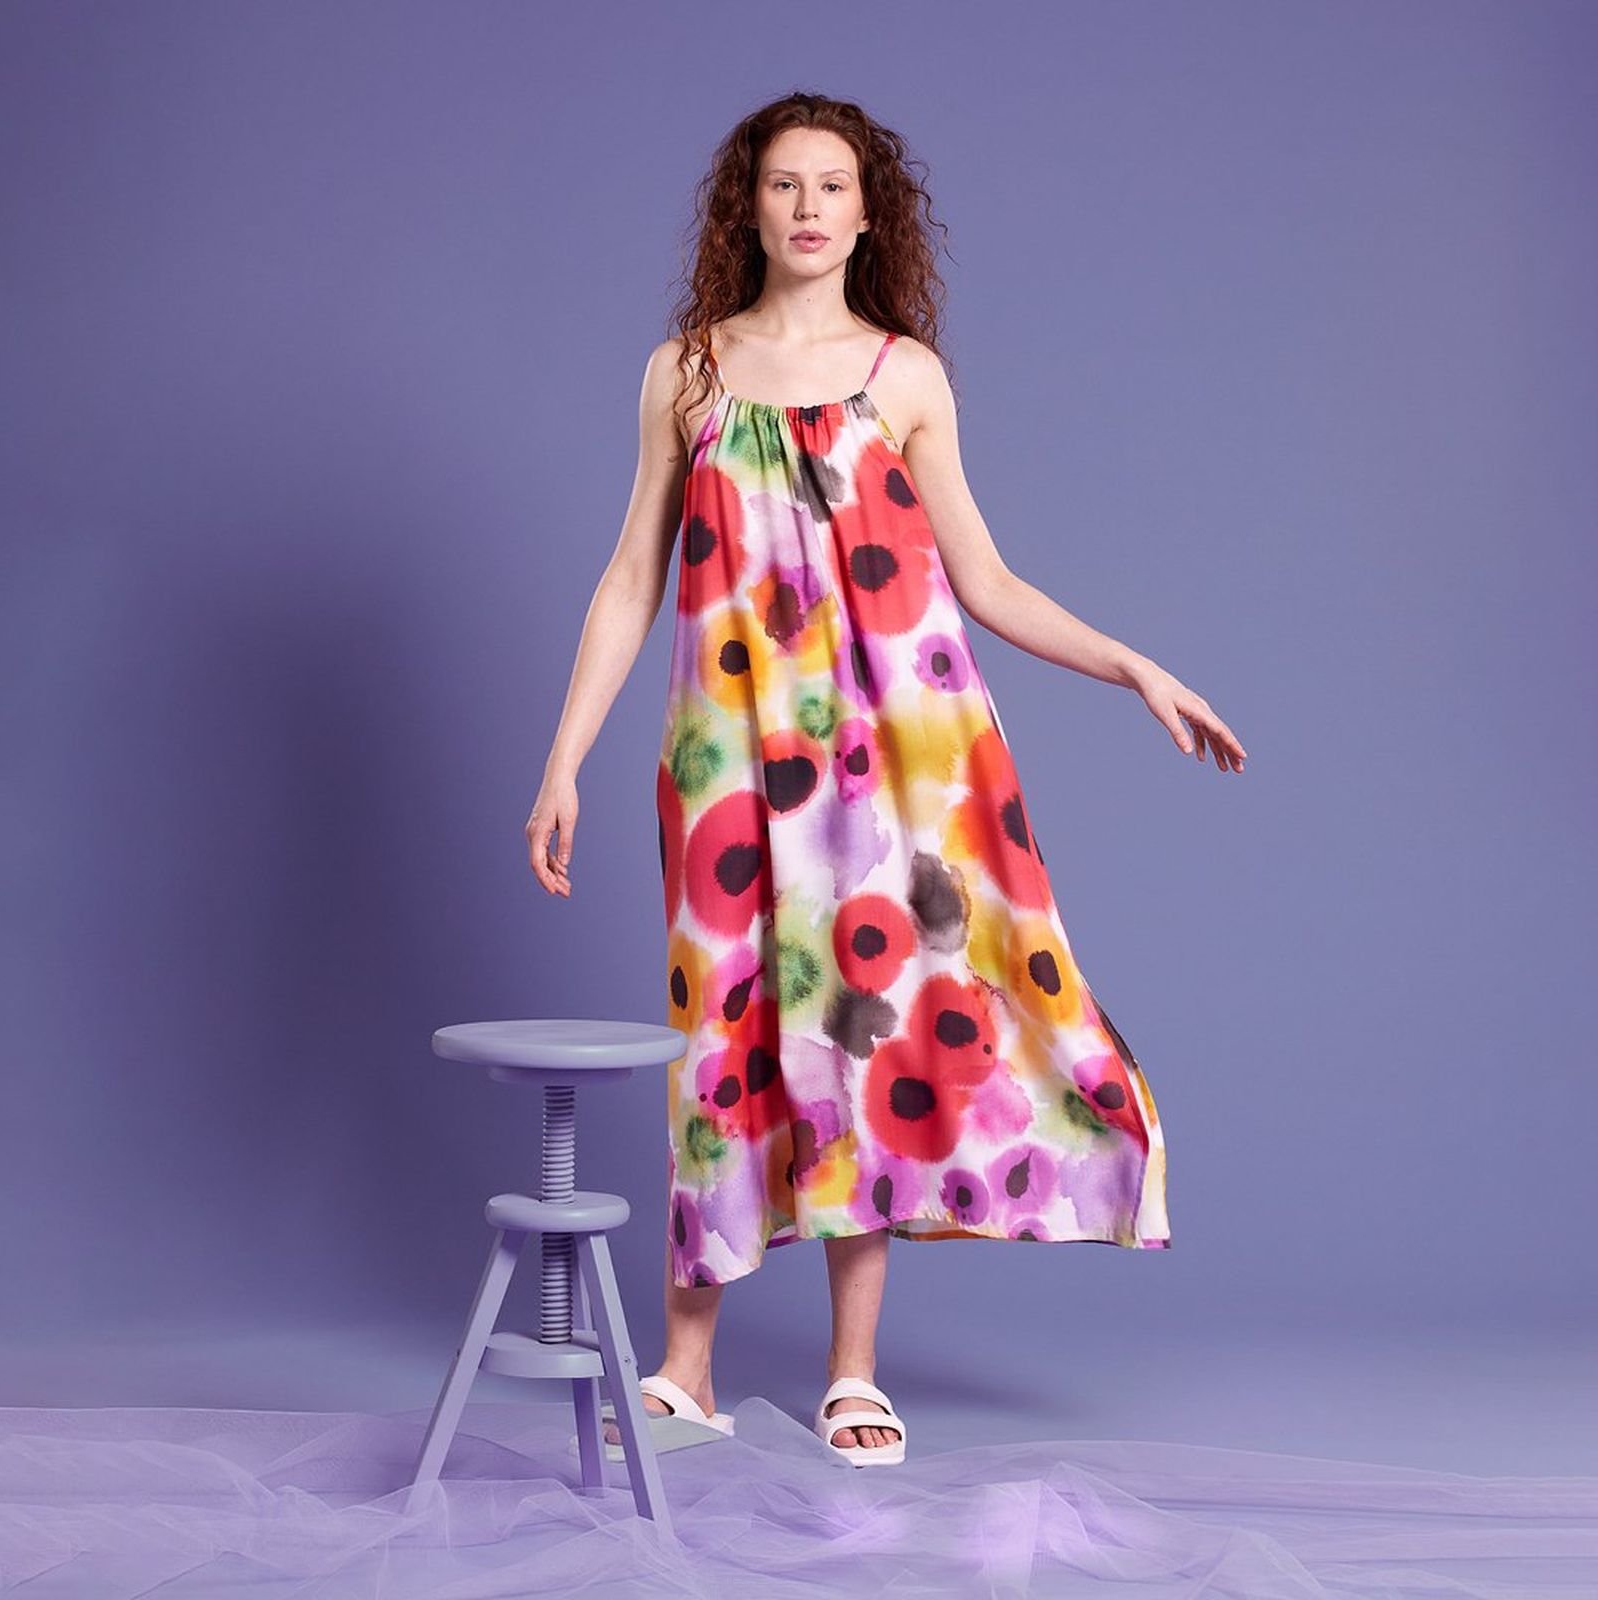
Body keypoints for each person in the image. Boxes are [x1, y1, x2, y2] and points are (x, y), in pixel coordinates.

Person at [526, 92, 1246, 1467]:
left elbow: (985, 582)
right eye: (783, 184)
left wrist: (1135, 665)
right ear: (752, 207)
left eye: (832, 186)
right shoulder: (684, 372)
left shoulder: (905, 377)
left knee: (865, 1033)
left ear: (868, 212)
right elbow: (630, 577)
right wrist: (561, 758)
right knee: (722, 1032)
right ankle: (685, 1363)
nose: (806, 206)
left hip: (897, 762)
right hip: (726, 767)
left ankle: (854, 1373)